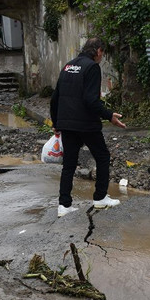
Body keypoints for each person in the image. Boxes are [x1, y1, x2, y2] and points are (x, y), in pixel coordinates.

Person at [50, 37, 126, 218]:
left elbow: (55, 97)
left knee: (68, 164)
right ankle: (100, 198)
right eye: (102, 54)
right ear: (98, 51)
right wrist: (109, 116)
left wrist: (56, 123)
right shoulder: (92, 67)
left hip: (67, 123)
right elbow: (91, 100)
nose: (102, 57)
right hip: (86, 123)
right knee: (102, 156)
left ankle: (64, 205)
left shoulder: (68, 66)